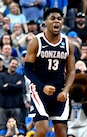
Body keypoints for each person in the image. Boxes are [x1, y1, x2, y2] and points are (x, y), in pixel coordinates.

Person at [24, 8, 75, 137]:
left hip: (59, 90)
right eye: (52, 19)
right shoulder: (36, 41)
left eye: (59, 19)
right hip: (39, 90)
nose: (56, 21)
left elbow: (71, 71)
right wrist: (42, 86)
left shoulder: (67, 43)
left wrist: (65, 91)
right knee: (42, 130)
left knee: (61, 132)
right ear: (45, 22)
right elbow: (27, 70)